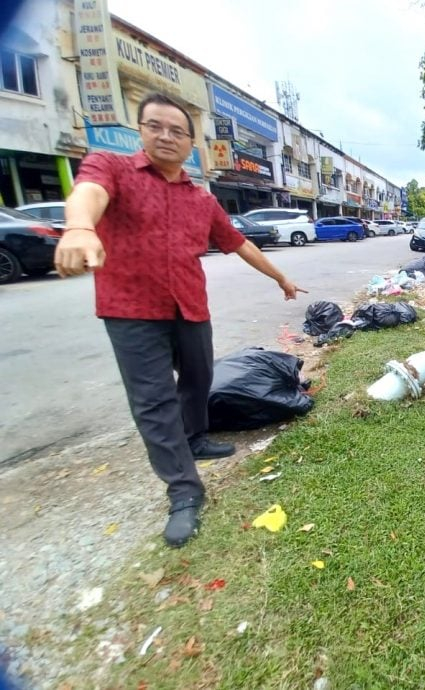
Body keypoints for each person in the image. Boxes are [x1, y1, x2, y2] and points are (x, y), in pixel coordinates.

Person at [55, 92, 306, 547]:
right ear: (141, 131)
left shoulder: (202, 200)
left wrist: (281, 278)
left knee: (198, 379)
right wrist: (79, 227)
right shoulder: (110, 168)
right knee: (153, 401)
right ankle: (184, 491)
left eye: (176, 130)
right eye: (155, 126)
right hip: (130, 311)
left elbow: (239, 243)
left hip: (189, 307)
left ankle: (195, 439)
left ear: (193, 142)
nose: (165, 136)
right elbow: (88, 195)